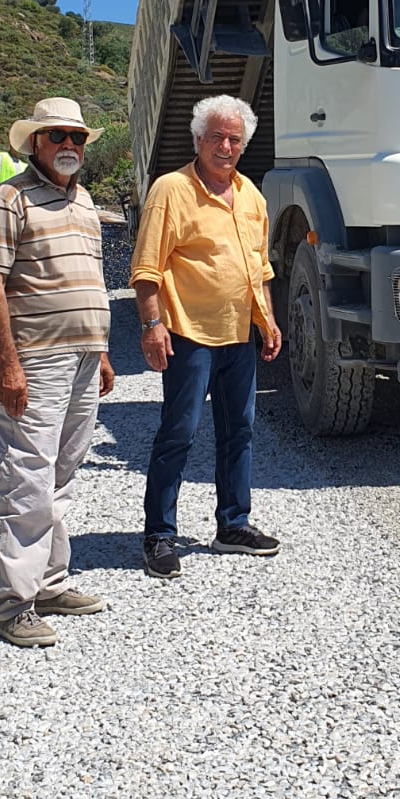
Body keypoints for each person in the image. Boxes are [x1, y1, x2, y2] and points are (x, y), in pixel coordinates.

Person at [0, 97, 115, 647]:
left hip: (82, 357)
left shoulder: (83, 202)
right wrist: (8, 363)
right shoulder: (11, 199)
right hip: (37, 358)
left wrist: (100, 351)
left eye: (76, 137)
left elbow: (91, 281)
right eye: (57, 137)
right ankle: (11, 603)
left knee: (61, 472)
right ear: (35, 144)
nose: (69, 146)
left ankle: (49, 582)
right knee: (25, 475)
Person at [132, 94, 282, 581]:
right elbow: (146, 268)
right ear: (197, 139)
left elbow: (260, 268)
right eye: (216, 136)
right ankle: (159, 535)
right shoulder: (170, 190)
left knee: (239, 432)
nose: (226, 146)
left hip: (239, 336)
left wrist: (269, 321)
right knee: (179, 433)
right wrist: (152, 326)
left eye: (235, 139)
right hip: (188, 335)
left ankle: (232, 525)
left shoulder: (252, 196)